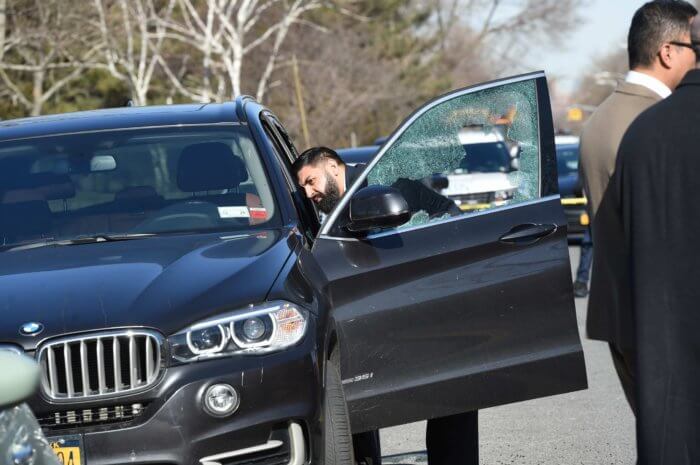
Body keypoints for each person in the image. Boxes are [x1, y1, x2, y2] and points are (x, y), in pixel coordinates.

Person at [292, 147, 477, 465]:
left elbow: (449, 216)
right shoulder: (331, 207)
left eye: (311, 181)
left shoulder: (385, 183)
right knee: (361, 398)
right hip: (366, 311)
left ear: (333, 166)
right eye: (303, 188)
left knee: (450, 394)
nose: (309, 193)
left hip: (423, 303)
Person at [582, 0, 697, 415]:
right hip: (663, 322)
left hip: (624, 317)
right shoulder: (656, 123)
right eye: (695, 48)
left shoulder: (603, 117)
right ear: (668, 51)